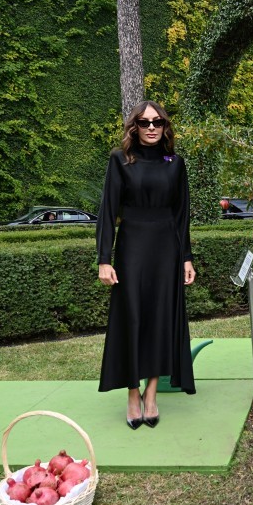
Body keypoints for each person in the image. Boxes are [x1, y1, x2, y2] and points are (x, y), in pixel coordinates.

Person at [96, 100, 196, 430]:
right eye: (143, 122)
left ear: (165, 127)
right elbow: (108, 213)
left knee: (159, 320)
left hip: (166, 248)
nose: (151, 127)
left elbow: (182, 216)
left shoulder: (175, 163)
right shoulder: (120, 160)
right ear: (134, 127)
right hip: (132, 247)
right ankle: (132, 393)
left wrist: (186, 257)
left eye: (157, 122)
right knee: (132, 318)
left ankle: (152, 394)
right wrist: (103, 260)